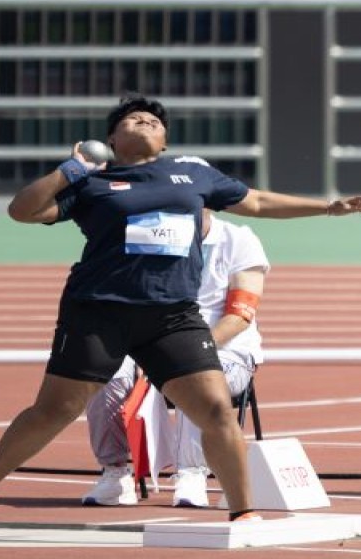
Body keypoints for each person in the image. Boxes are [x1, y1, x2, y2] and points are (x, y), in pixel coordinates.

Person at [0, 94, 361, 540]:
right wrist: (71, 170)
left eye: (153, 120)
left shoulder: (192, 173)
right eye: (132, 119)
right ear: (110, 138)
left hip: (172, 315)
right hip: (99, 312)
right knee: (55, 410)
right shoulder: (92, 181)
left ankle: (242, 516)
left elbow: (258, 202)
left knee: (216, 410)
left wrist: (328, 207)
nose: (144, 121)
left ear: (164, 141)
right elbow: (22, 211)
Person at [82, 211, 269, 508]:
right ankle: (115, 473)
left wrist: (189, 350)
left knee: (195, 372)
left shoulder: (238, 240)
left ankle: (192, 473)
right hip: (154, 344)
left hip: (226, 352)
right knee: (100, 368)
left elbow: (239, 317)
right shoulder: (153, 237)